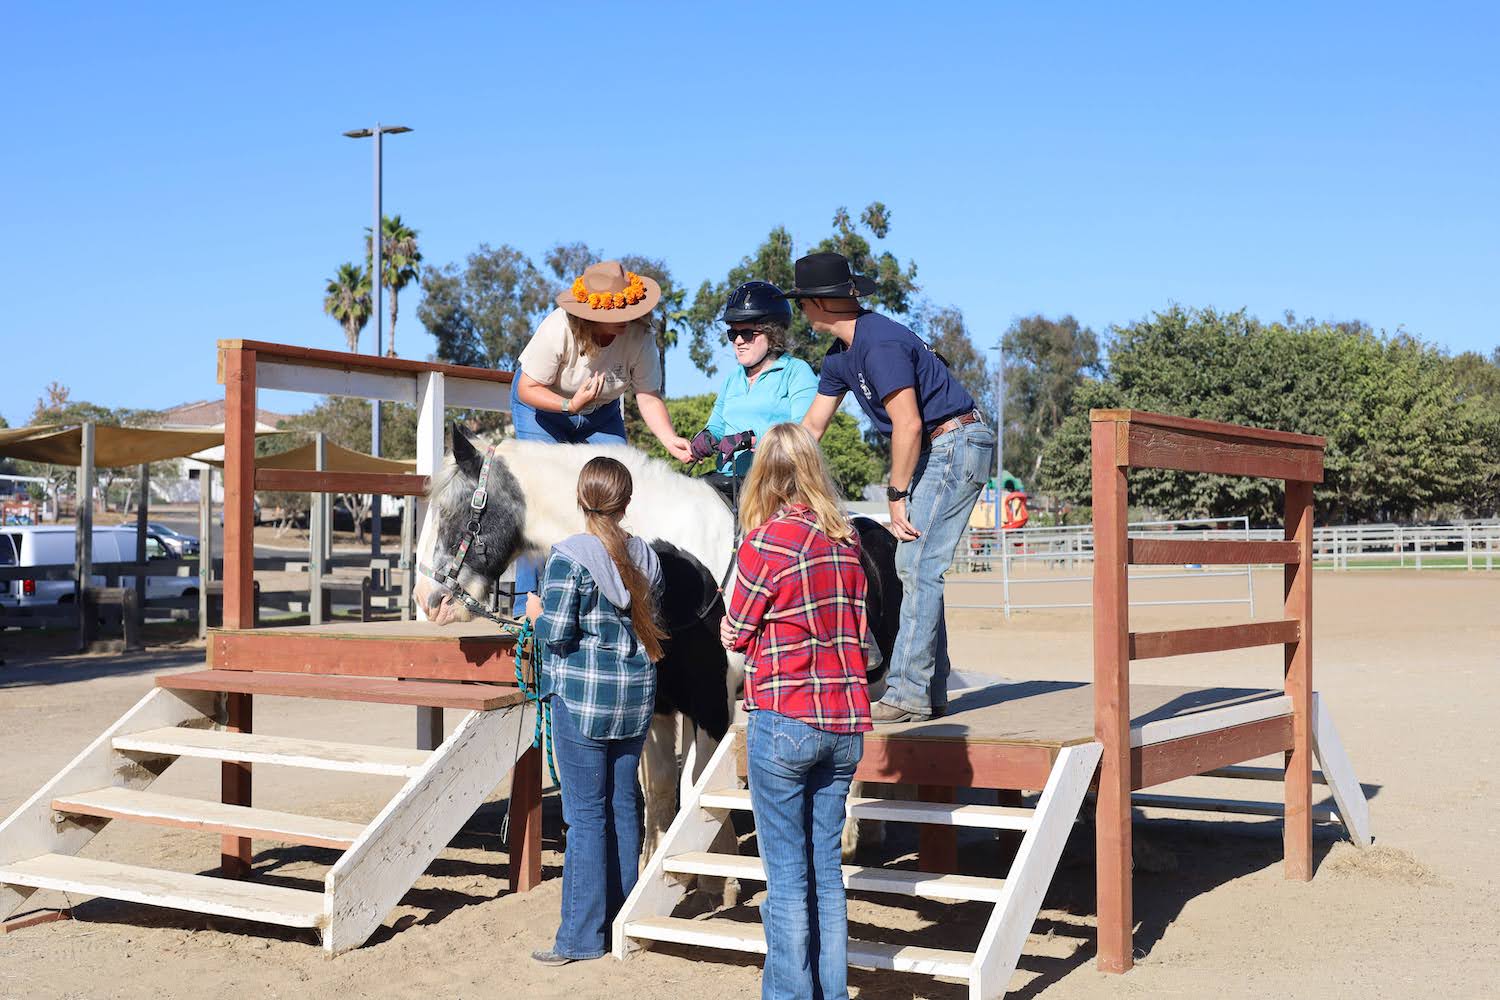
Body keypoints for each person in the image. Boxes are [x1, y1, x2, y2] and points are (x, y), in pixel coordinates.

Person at [795, 251, 996, 724]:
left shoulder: (878, 343)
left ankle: (906, 693)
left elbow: (906, 425)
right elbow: (812, 427)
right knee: (918, 567)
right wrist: (779, 467)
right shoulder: (840, 356)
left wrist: (896, 494)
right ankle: (931, 689)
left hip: (954, 440)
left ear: (818, 303)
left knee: (916, 563)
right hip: (937, 445)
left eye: (802, 300)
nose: (800, 310)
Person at [719, 422, 871, 1000]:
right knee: (825, 873)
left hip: (785, 715)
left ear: (765, 476)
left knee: (786, 880)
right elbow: (858, 629)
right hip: (845, 717)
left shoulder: (765, 542)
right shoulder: (849, 538)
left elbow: (734, 631)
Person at [527, 456, 666, 966]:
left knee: (585, 817)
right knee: (623, 806)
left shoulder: (569, 556)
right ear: (625, 502)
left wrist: (536, 615)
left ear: (581, 499)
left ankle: (580, 939)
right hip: (634, 701)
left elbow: (558, 634)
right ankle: (623, 923)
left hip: (581, 702)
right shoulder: (647, 558)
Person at [509, 259, 692, 613]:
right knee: (539, 493)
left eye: (628, 307)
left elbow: (648, 395)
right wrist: (569, 406)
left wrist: (669, 438)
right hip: (544, 408)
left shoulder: (640, 337)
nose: (623, 316)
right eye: (615, 310)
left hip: (599, 412)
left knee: (614, 486)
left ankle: (609, 590)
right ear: (591, 312)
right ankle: (527, 604)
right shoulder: (557, 328)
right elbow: (529, 386)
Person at [688, 281, 819, 508]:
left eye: (747, 333)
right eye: (733, 333)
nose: (738, 341)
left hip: (778, 485)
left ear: (773, 334)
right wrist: (707, 437)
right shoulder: (733, 378)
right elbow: (718, 425)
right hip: (729, 483)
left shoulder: (797, 372)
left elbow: (803, 436)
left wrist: (753, 439)